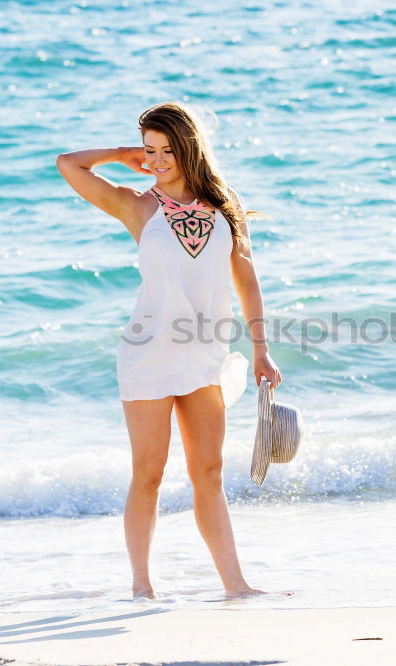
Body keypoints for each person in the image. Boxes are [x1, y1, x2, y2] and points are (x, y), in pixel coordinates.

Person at [55, 101, 281, 599]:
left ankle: (236, 585)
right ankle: (142, 586)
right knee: (149, 474)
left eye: (166, 150)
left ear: (189, 148)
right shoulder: (136, 206)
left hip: (204, 357)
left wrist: (261, 349)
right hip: (148, 355)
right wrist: (121, 154)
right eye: (149, 150)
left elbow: (247, 281)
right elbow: (68, 164)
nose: (156, 160)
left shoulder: (225, 205)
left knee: (209, 473)